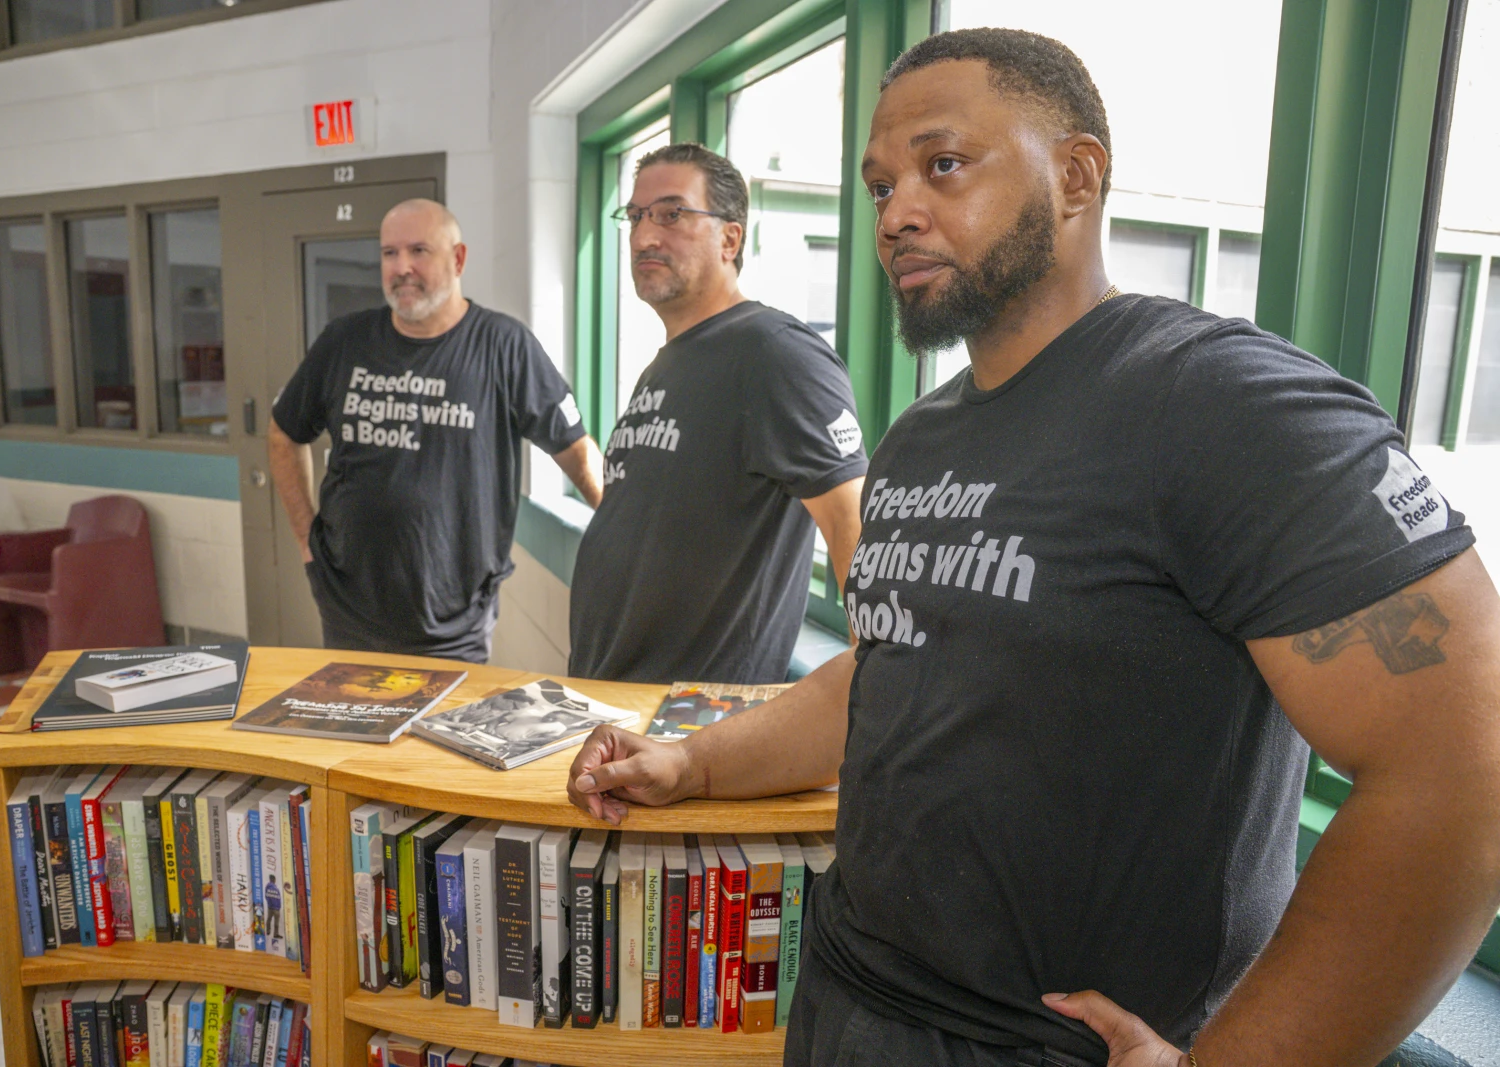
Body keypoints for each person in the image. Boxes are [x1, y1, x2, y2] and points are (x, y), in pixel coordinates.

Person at [566, 28, 1500, 1067]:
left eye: (943, 164)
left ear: (1075, 174)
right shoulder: (924, 436)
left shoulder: (1225, 403)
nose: (897, 212)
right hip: (848, 997)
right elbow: (890, 666)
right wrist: (690, 763)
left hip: (1047, 1042)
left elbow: (1465, 763)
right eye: (880, 186)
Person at [569, 144, 868, 685]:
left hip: (695, 726)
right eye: (636, 216)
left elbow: (854, 524)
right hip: (615, 697)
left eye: (671, 214)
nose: (644, 236)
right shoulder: (670, 361)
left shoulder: (775, 353)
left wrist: (878, 707)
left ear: (730, 237)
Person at [269, 199, 603, 662]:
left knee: (440, 735)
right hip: (347, 607)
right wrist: (307, 540)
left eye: (419, 250)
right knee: (353, 730)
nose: (402, 267)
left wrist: (623, 536)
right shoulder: (344, 341)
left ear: (458, 258)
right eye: (389, 253)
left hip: (453, 623)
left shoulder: (504, 346)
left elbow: (576, 452)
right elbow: (284, 434)